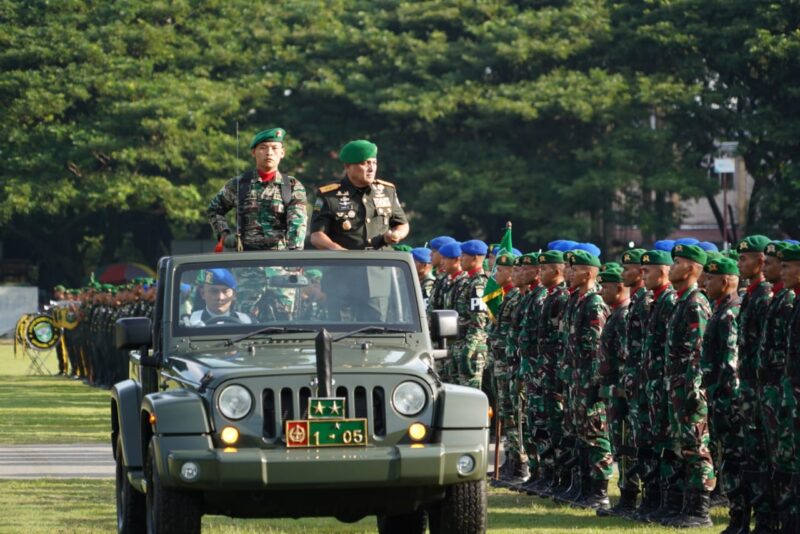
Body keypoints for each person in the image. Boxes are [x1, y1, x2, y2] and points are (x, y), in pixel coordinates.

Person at [661, 243, 714, 528]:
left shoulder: (695, 302)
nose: (671, 267)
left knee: (696, 446)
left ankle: (700, 509)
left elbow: (699, 350)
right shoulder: (681, 300)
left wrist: (694, 390)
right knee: (682, 446)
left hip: (690, 389)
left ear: (693, 268)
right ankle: (685, 505)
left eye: (678, 262)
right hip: (678, 386)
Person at [207, 127, 307, 251]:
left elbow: (297, 224)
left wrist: (293, 259)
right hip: (245, 262)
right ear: (253, 152)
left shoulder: (292, 186)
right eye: (263, 147)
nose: (269, 153)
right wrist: (224, 235)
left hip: (280, 262)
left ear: (282, 153)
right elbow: (214, 210)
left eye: (274, 148)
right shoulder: (238, 184)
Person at [699, 256, 743, 533]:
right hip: (717, 395)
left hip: (727, 398)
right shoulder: (719, 309)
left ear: (725, 281)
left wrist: (724, 398)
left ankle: (735, 509)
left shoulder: (729, 313)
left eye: (711, 278)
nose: (705, 282)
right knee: (724, 454)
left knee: (733, 456)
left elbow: (730, 364)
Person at [310, 140, 409, 251]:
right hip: (346, 265)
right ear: (348, 166)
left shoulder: (387, 191)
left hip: (382, 264)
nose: (372, 168)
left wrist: (396, 234)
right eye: (365, 163)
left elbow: (403, 224)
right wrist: (337, 250)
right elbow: (316, 236)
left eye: (374, 163)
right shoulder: (329, 195)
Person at [452, 240, 490, 389]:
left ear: (474, 258)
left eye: (464, 255)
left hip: (472, 348)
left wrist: (469, 349)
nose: (460, 258)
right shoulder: (469, 281)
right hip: (462, 344)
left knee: (470, 392)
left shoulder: (478, 284)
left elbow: (478, 321)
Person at [185, 269, 252, 326]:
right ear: (203, 294)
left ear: (234, 294)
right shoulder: (189, 323)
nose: (220, 297)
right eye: (214, 291)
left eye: (225, 291)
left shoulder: (247, 322)